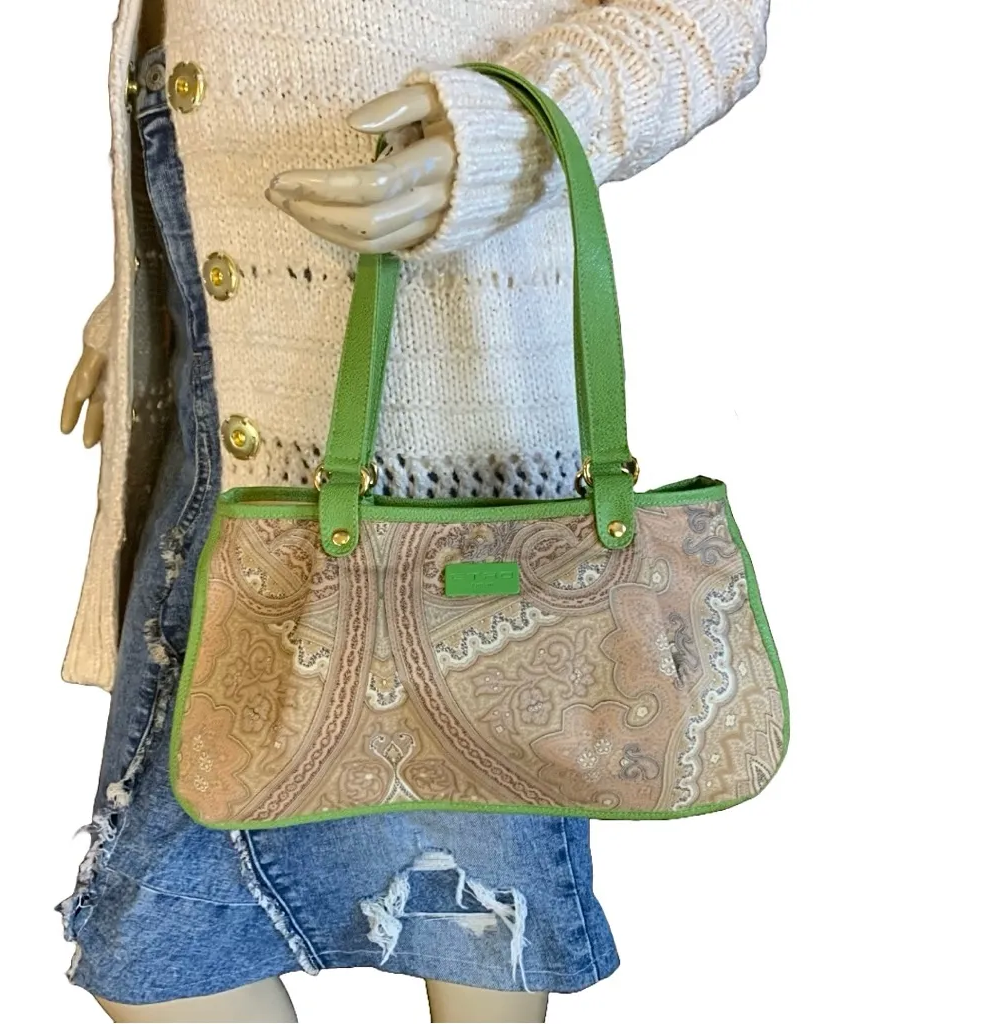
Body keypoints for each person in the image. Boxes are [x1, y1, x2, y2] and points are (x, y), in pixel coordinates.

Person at [58, 1, 770, 1020]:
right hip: (215, 401)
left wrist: (507, 132)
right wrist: (146, 283)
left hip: (452, 442)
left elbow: (709, 18)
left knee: (477, 925)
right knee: (162, 945)